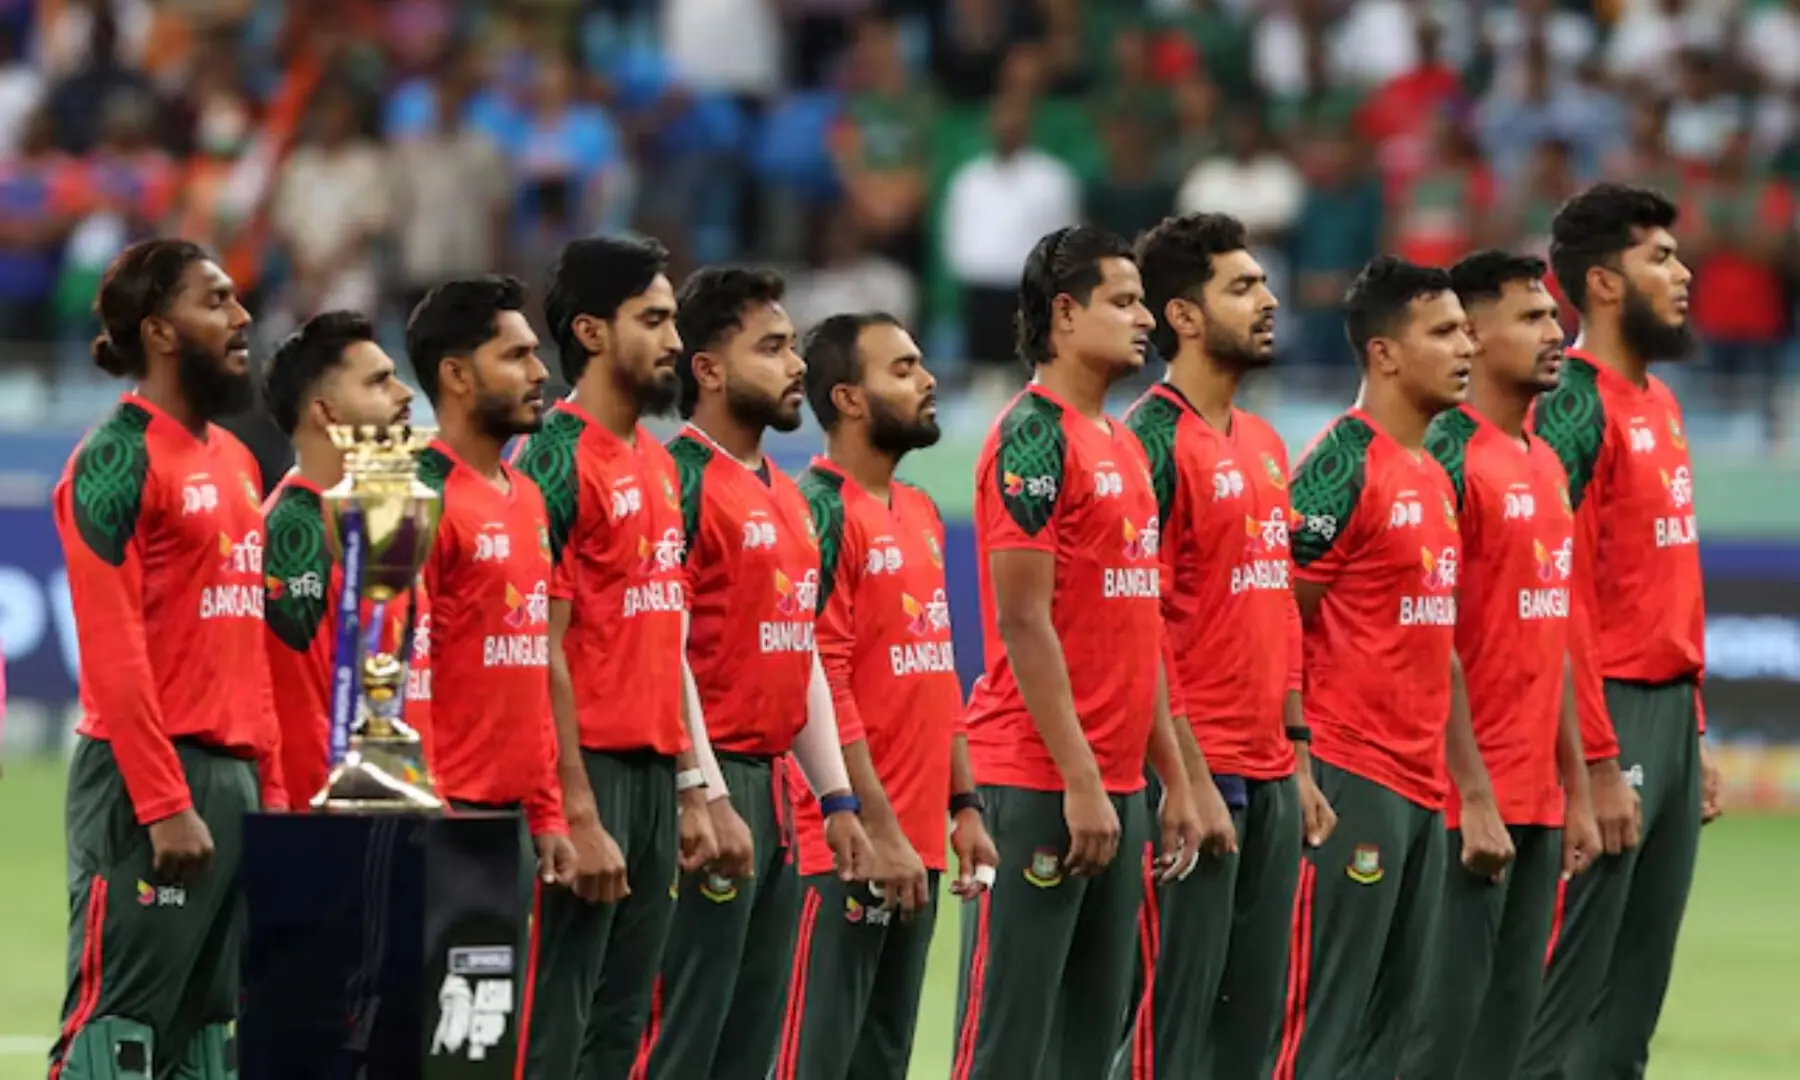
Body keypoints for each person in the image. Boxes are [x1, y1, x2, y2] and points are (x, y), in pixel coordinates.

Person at [950, 225, 1231, 1080]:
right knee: (1007, 1043)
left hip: (1116, 786)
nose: (1146, 318)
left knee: (1091, 1042)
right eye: (1123, 301)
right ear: (1064, 316)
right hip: (1038, 780)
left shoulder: (1121, 444)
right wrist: (1079, 778)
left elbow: (1137, 625)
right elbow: (1024, 622)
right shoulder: (1032, 436)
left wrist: (1173, 780)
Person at [48, 238, 285, 1080]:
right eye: (216, 300)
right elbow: (111, 653)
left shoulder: (239, 460)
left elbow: (246, 642)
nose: (243, 315)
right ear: (158, 330)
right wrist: (161, 800)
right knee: (121, 1029)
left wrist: (272, 795)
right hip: (150, 787)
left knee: (206, 1031)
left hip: (229, 782)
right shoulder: (114, 458)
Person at [635, 267, 875, 1080]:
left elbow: (796, 646)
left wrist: (835, 797)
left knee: (750, 1041)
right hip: (708, 790)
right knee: (679, 1035)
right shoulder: (679, 481)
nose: (796, 365)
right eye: (771, 348)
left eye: (793, 345)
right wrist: (698, 787)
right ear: (706, 368)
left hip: (774, 789)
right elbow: (660, 646)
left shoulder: (789, 494)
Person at [1112, 212, 1337, 1080]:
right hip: (1197, 772)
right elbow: (1139, 620)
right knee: (1168, 1034)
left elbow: (1280, 607)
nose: (1270, 300)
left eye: (1265, 282)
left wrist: (1301, 752)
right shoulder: (1151, 440)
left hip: (1272, 770)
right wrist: (1186, 774)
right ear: (1184, 316)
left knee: (1250, 1037)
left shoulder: (1267, 442)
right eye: (1243, 286)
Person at [1275, 255, 1500, 1080]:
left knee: (1390, 1033)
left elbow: (1435, 641)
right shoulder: (1341, 461)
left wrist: (1468, 787)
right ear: (1385, 354)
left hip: (1417, 783)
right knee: (1317, 1027)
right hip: (1346, 772)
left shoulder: (1434, 472)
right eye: (1443, 332)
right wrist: (1296, 763)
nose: (1465, 348)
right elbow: (1277, 616)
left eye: (1467, 331)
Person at [508, 236, 728, 1077]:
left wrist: (688, 785)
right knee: (550, 1025)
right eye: (655, 320)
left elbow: (661, 636)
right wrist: (575, 811)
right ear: (593, 333)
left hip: (647, 778)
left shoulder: (656, 463)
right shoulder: (555, 457)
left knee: (622, 1029)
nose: (676, 340)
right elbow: (542, 648)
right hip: (586, 772)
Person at [1519, 184, 1717, 1080]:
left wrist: (1697, 730)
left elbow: (1664, 585)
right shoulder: (1571, 407)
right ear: (1603, 284)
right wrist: (1591, 759)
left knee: (1635, 995)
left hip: (1670, 719)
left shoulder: (1662, 406)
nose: (1683, 274)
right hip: (1607, 717)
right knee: (1564, 992)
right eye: (1660, 258)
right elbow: (1556, 594)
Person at [774, 312, 1000, 1080]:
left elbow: (937, 670)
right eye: (902, 369)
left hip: (916, 844)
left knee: (885, 1061)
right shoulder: (820, 510)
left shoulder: (920, 511)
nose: (928, 379)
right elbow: (819, 676)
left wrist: (963, 805)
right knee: (817, 1059)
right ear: (847, 397)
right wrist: (876, 825)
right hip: (841, 847)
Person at [1400, 251, 1603, 1080]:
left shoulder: (1546, 462)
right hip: (1457, 803)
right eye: (1532, 317)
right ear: (1472, 336)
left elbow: (1546, 634)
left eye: (1554, 316)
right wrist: (1472, 794)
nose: (1557, 332)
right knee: (1433, 1044)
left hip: (1538, 801)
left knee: (1506, 1044)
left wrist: (1576, 791)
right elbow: (1425, 637)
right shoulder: (1443, 454)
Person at [404, 276, 577, 1035]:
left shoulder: (524, 495)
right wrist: (430, 817)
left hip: (506, 827)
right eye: (517, 355)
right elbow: (399, 673)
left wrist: (546, 812)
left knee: (478, 1051)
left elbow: (532, 664)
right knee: (424, 1047)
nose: (540, 372)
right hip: (446, 823)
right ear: (457, 374)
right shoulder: (411, 496)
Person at [260, 311, 428, 808]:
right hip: (337, 828)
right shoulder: (295, 533)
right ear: (327, 414)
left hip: (395, 812)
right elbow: (300, 716)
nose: (405, 396)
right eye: (379, 383)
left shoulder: (382, 524)